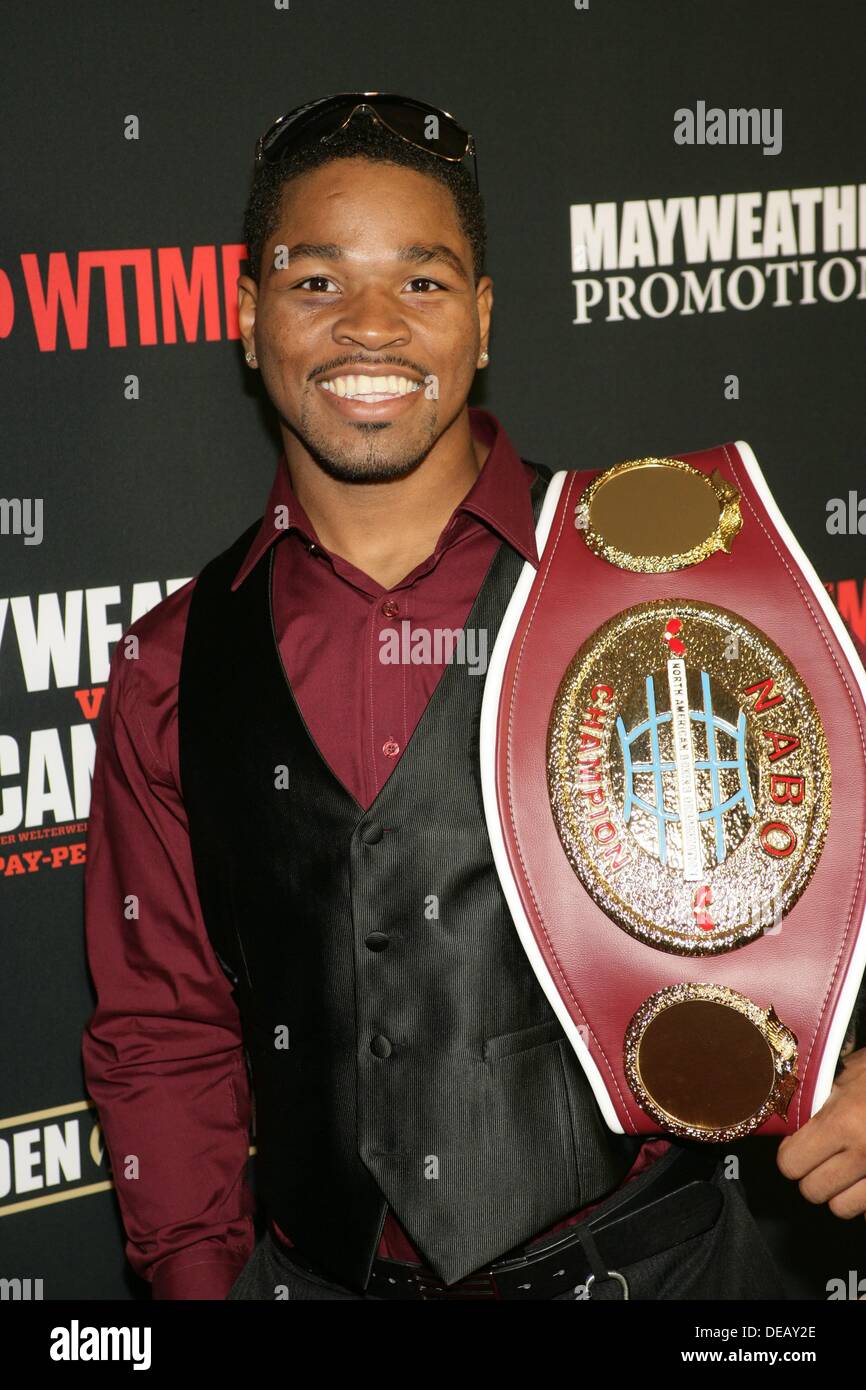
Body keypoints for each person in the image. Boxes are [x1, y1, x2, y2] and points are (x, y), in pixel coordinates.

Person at [81, 92, 865, 1303]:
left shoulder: (657, 571)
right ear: (248, 322)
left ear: (482, 318)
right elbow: (164, 1029)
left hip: (666, 1274)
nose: (370, 328)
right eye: (315, 283)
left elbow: (828, 851)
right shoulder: (167, 666)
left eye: (424, 283)